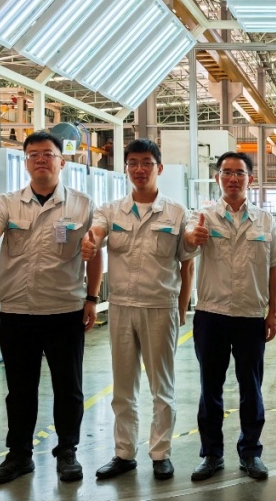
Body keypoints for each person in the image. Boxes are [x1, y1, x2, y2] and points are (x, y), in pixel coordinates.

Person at [0, 131, 101, 485]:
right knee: (20, 390)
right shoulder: (7, 203)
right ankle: (19, 455)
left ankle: (68, 451)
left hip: (65, 311)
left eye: (48, 154)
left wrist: (92, 299)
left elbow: (94, 254)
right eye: (33, 155)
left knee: (68, 388)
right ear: (26, 162)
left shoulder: (81, 204)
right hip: (18, 312)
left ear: (62, 161)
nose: (41, 159)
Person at [82, 138, 195, 482]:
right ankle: (124, 453)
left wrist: (181, 309)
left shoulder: (176, 213)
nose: (139, 169)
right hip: (121, 308)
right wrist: (91, 240)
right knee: (123, 387)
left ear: (159, 168)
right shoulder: (111, 211)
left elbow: (187, 263)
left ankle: (161, 454)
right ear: (126, 168)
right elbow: (97, 232)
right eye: (133, 163)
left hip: (160, 307)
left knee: (162, 387)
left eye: (146, 162)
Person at [183, 152, 276, 482]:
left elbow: (273, 269)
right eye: (226, 172)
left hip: (250, 316)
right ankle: (211, 454)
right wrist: (192, 238)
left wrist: (272, 313)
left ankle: (251, 452)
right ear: (217, 178)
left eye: (239, 173)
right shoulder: (202, 216)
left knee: (251, 388)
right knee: (210, 388)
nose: (232, 178)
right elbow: (187, 246)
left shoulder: (265, 220)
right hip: (211, 315)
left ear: (250, 179)